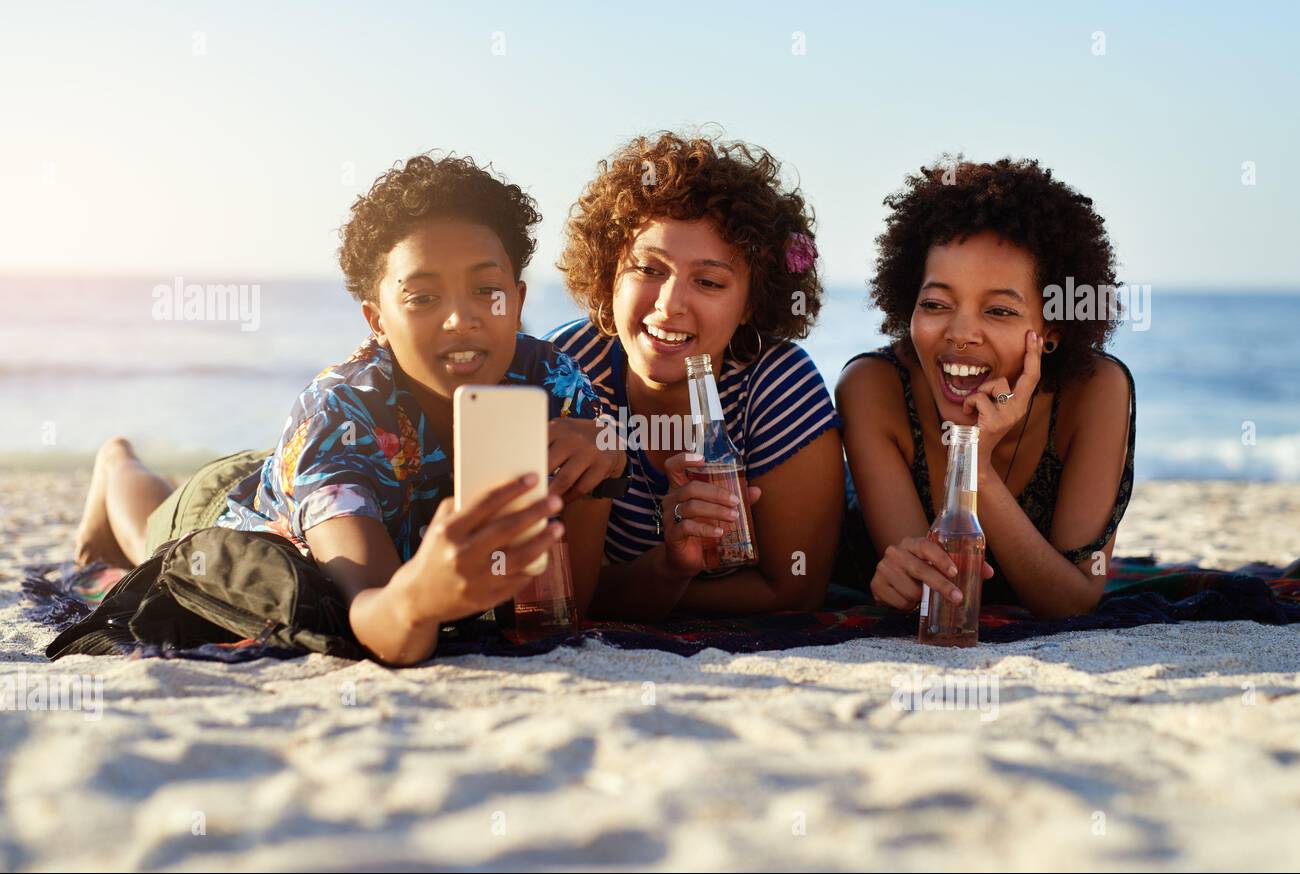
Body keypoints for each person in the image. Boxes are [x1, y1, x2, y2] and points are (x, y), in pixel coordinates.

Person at [74, 153, 622, 664]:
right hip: (250, 509)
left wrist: (602, 468)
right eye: (423, 298)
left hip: (320, 477)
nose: (461, 319)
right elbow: (376, 621)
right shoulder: (335, 412)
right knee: (151, 533)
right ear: (377, 319)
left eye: (487, 290)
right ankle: (116, 461)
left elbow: (571, 602)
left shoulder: (555, 383)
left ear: (519, 300)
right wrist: (419, 600)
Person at [550, 131, 843, 618]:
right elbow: (553, 594)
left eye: (707, 281)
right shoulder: (567, 368)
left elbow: (795, 593)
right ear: (609, 272)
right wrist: (669, 568)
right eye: (647, 269)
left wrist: (630, 591)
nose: (669, 306)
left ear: (752, 302)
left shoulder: (776, 386)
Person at [836, 157, 1136, 618]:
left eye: (999, 311)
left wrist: (977, 467)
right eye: (935, 303)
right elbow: (941, 588)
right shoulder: (873, 390)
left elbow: (1073, 601)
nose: (960, 332)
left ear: (1051, 329)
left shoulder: (1097, 393)